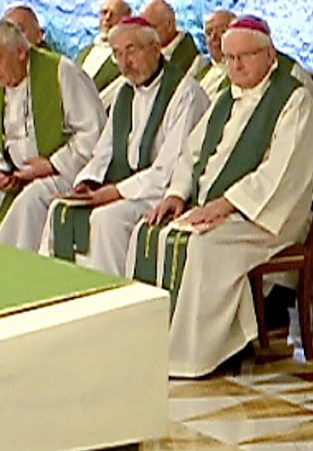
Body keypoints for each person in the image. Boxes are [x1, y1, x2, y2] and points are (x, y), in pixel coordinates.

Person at [136, 15, 313, 377]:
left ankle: (209, 352)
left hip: (268, 217)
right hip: (218, 208)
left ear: (269, 56)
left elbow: (282, 172)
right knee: (149, 233)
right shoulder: (224, 99)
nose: (235, 65)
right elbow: (190, 155)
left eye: (245, 56)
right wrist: (178, 195)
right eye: (229, 58)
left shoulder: (294, 100)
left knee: (203, 247)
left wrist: (226, 205)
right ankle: (156, 346)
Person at [41, 16, 206, 274]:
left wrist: (116, 192)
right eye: (117, 54)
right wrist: (87, 182)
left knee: (108, 220)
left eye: (132, 51)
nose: (125, 64)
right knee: (60, 211)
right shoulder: (125, 92)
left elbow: (169, 168)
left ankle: (117, 299)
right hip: (126, 186)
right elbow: (104, 150)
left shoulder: (185, 93)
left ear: (155, 47)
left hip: (159, 192)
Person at [0, 15, 106, 239]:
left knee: (31, 202)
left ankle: (17, 271)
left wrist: (52, 164)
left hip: (63, 174)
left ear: (20, 52)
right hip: (17, 178)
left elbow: (94, 130)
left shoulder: (60, 73)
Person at [77, 0, 131, 86]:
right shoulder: (84, 52)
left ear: (126, 19)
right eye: (104, 12)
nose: (107, 18)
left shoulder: (126, 58)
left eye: (113, 14)